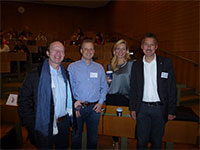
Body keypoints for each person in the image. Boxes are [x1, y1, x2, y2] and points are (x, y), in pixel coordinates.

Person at [18, 41, 73, 149]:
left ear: (64, 54)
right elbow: (23, 101)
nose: (58, 53)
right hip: (44, 124)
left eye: (61, 51)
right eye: (54, 50)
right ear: (47, 53)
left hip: (63, 123)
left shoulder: (66, 74)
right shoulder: (35, 75)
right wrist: (31, 124)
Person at [129, 33, 177, 149]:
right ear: (142, 46)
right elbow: (133, 88)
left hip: (160, 109)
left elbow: (171, 87)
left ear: (156, 47)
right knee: (141, 142)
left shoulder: (166, 63)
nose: (148, 48)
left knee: (157, 142)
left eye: (152, 45)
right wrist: (133, 108)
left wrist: (171, 110)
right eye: (146, 44)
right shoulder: (136, 65)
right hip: (142, 109)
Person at [67, 38, 108, 149]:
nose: (88, 51)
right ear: (81, 50)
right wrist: (73, 105)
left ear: (94, 51)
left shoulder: (99, 68)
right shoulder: (72, 67)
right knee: (75, 138)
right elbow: (68, 89)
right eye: (86, 49)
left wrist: (100, 103)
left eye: (91, 49)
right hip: (78, 109)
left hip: (94, 108)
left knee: (93, 139)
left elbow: (104, 87)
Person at [105, 39, 133, 149]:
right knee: (114, 123)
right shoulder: (110, 65)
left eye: (123, 49)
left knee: (123, 123)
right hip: (111, 97)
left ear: (126, 51)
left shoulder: (131, 64)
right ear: (114, 50)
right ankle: (116, 142)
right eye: (118, 48)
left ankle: (124, 141)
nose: (120, 51)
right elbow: (107, 85)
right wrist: (106, 82)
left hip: (125, 97)